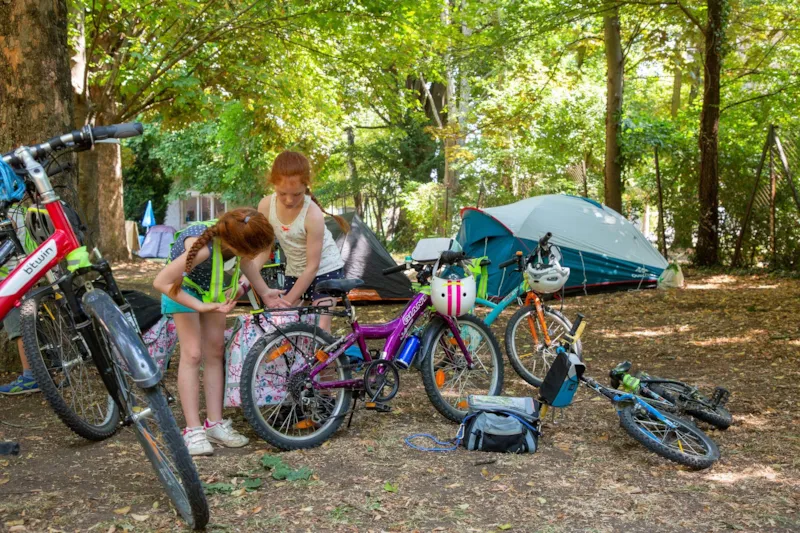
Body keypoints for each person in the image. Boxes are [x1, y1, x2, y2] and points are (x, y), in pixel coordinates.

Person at [153, 208, 289, 456]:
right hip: (182, 291)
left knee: (215, 351)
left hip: (211, 293)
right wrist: (200, 306)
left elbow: (245, 262)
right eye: (251, 251)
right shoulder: (201, 249)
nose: (254, 256)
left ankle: (214, 424)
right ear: (235, 244)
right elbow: (162, 282)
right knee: (192, 354)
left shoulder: (235, 238)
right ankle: (193, 430)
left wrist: (264, 291)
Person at [243, 151, 348, 332]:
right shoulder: (266, 206)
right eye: (282, 193)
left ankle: (325, 351)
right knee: (288, 326)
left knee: (320, 328)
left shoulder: (312, 214)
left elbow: (312, 267)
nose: (289, 200)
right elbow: (264, 250)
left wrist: (285, 302)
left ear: (306, 186)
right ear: (273, 184)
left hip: (325, 270)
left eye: (297, 194)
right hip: (295, 271)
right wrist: (243, 282)